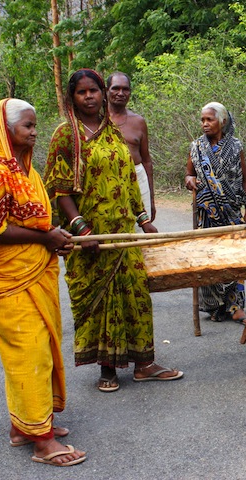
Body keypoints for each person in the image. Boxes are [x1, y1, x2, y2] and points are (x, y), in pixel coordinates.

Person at [44, 69, 183, 393]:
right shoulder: (66, 136)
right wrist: (81, 228)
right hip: (91, 237)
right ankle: (107, 368)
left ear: (102, 94)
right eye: (82, 92)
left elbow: (129, 180)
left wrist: (143, 218)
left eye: (94, 91)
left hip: (123, 234)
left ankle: (144, 364)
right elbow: (58, 188)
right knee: (100, 301)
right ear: (72, 98)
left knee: (136, 295)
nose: (89, 97)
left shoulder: (113, 134)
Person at [0, 98, 86, 466]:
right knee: (29, 353)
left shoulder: (27, 171)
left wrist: (55, 236)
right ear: (6, 129)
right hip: (10, 280)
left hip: (37, 270)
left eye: (35, 126)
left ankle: (26, 426)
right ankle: (43, 444)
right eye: (27, 127)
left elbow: (37, 223)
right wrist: (44, 238)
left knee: (39, 350)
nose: (35, 133)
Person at [185, 102, 246, 323]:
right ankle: (215, 306)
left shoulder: (236, 146)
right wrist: (190, 180)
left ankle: (236, 306)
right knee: (210, 258)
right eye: (202, 120)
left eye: (210, 120)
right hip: (207, 214)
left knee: (235, 259)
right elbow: (188, 174)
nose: (205, 124)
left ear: (222, 121)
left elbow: (244, 180)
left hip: (231, 212)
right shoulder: (196, 147)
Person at [106, 72, 156, 222]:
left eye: (125, 89)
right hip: (107, 180)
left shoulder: (138, 121)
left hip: (137, 177)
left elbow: (146, 161)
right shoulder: (97, 120)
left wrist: (151, 199)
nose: (120, 93)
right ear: (106, 90)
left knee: (142, 230)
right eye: (115, 88)